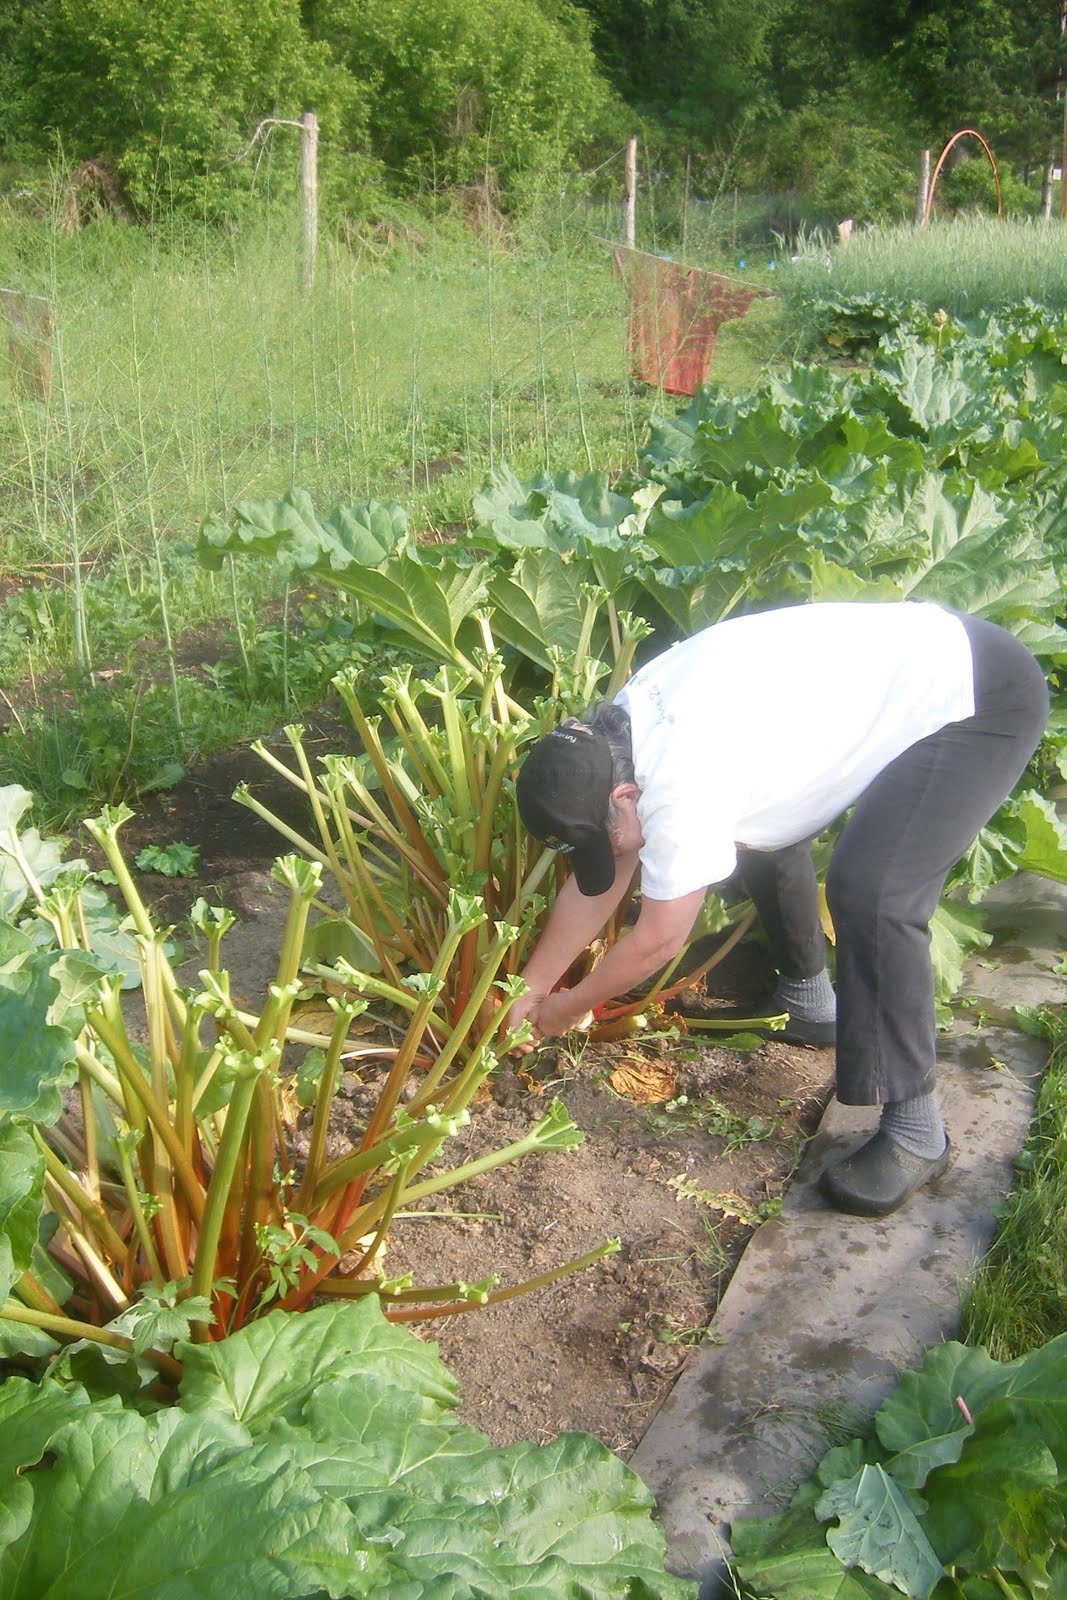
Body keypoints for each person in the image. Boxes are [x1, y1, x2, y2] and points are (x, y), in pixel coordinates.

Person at [508, 601, 1049, 1218]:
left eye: (605, 841)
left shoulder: (684, 781)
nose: (610, 858)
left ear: (626, 795)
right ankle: (810, 1004)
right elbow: (601, 876)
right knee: (756, 828)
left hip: (977, 696)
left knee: (874, 892)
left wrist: (565, 1008)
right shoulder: (616, 736)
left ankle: (917, 1132)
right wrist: (532, 987)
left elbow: (659, 938)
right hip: (913, 667)